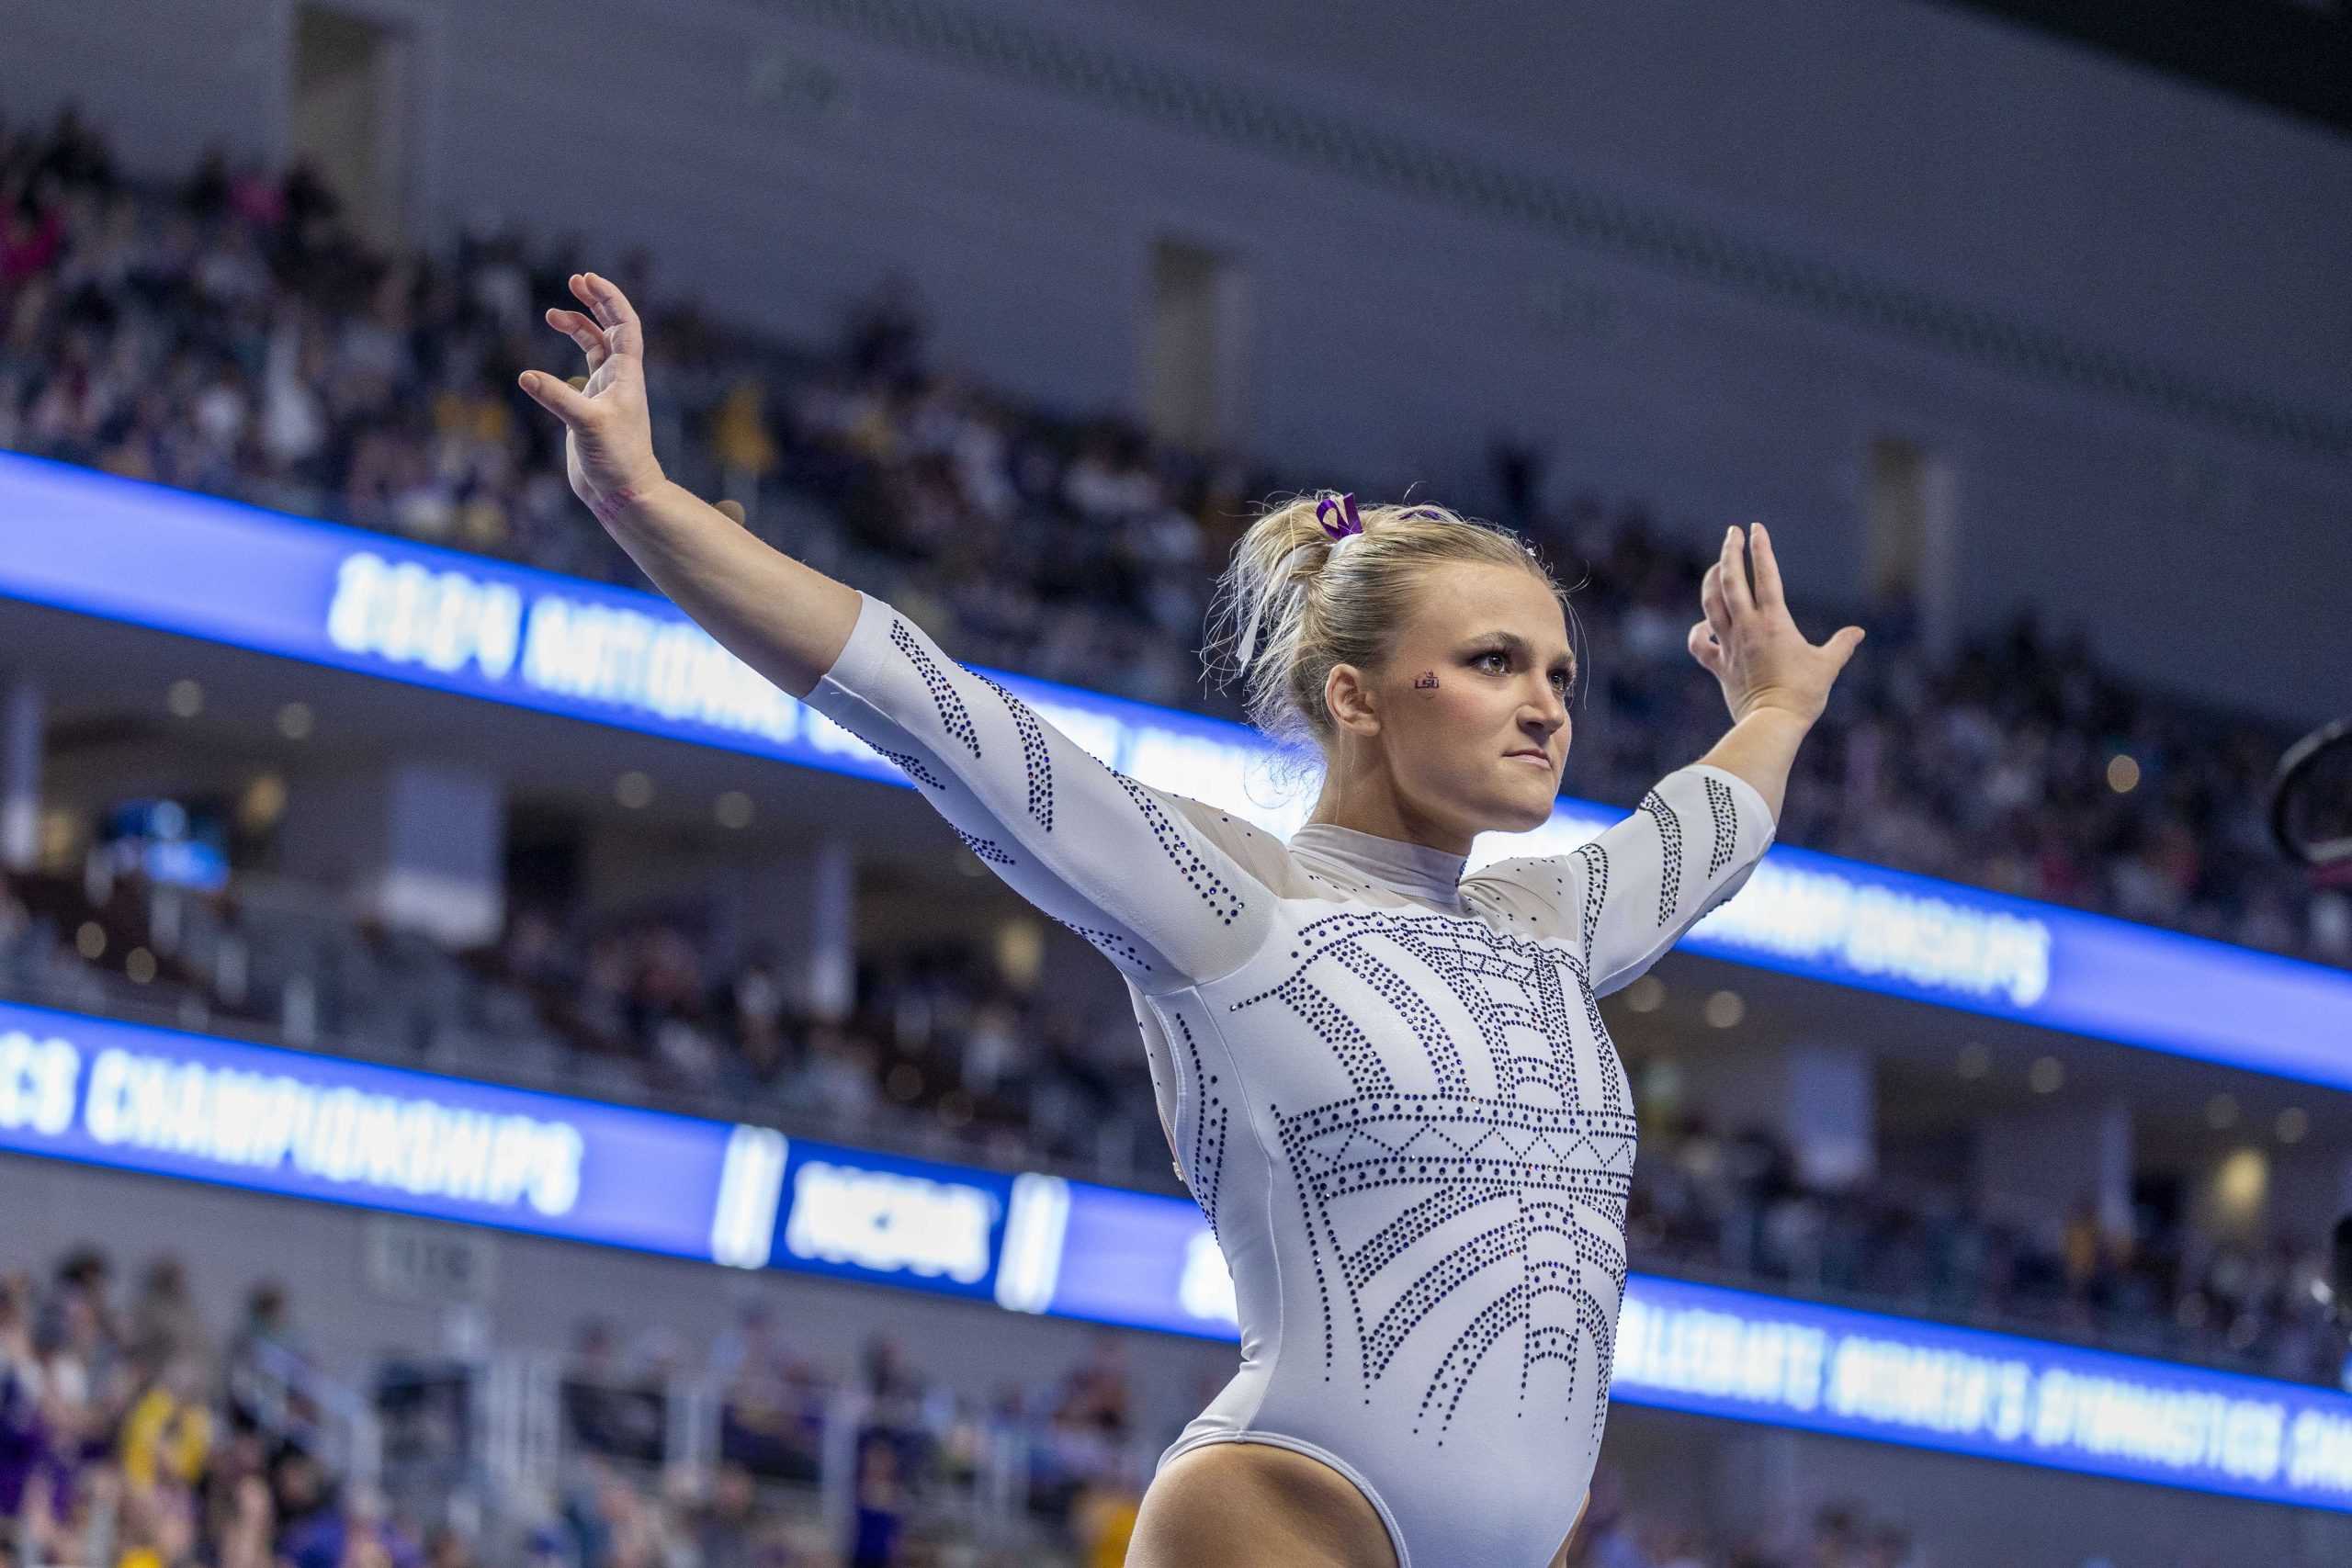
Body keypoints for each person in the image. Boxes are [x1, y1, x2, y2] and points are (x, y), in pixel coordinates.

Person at [518, 272, 1863, 1568]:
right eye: (1493, 664)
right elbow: (927, 704)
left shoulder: (1552, 925)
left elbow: (1712, 828)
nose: (1548, 707)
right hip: (1291, 1508)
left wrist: (1777, 710)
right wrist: (646, 501)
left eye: (1560, 672)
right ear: (1356, 697)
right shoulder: (1234, 904)